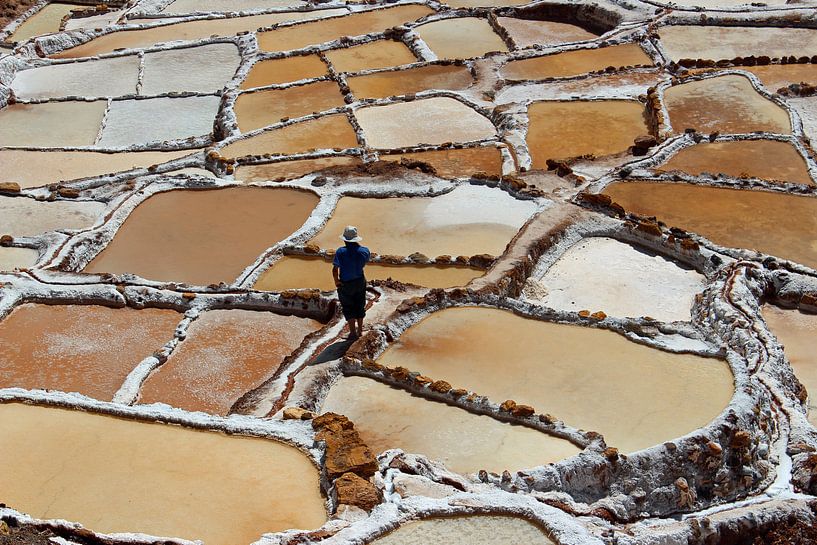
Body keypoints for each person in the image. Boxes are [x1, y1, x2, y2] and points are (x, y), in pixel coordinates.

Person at [332, 225, 370, 339]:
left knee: (349, 307)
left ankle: (352, 333)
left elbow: (335, 269)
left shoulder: (340, 252)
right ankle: (360, 331)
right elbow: (364, 261)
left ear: (344, 239)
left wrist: (336, 282)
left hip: (346, 284)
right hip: (360, 281)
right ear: (356, 238)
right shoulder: (364, 251)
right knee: (360, 305)